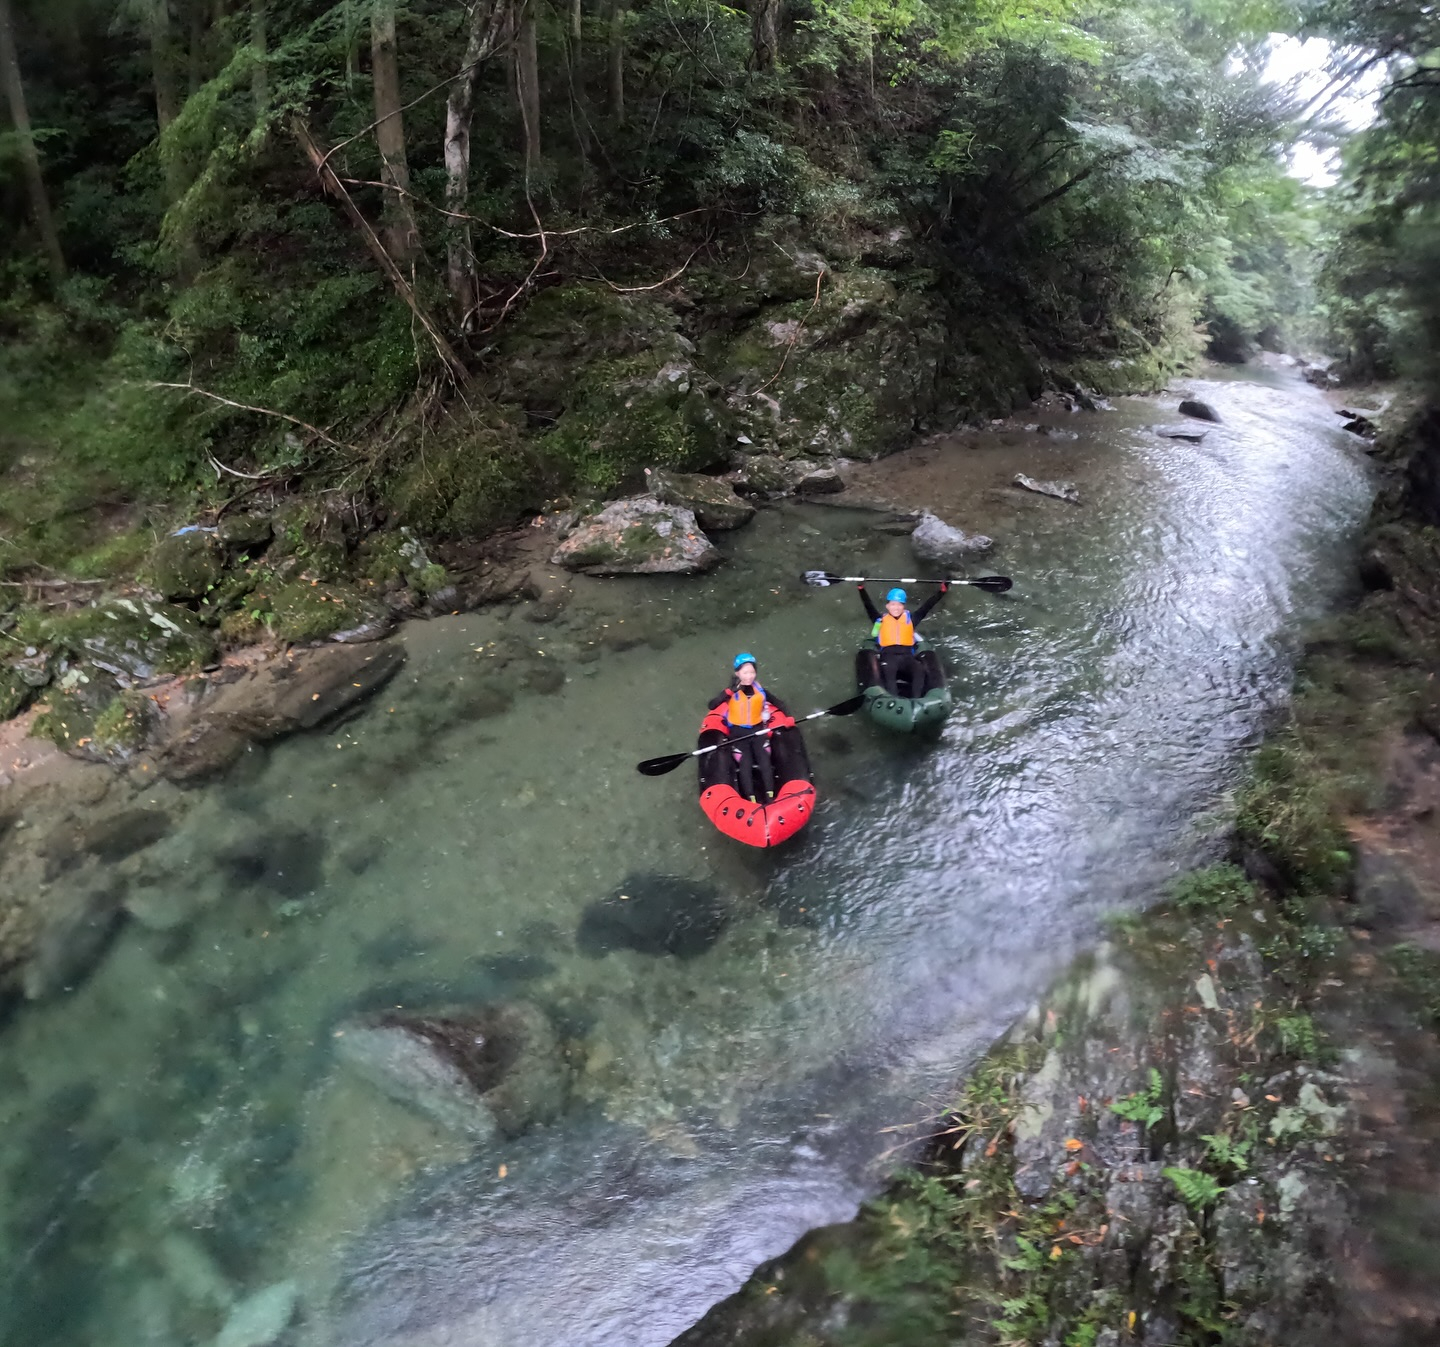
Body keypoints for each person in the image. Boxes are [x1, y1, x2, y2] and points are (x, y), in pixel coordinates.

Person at [707, 653, 791, 802]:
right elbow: (712, 705)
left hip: (757, 729)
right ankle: (751, 799)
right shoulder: (731, 691)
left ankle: (770, 796)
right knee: (745, 762)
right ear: (737, 673)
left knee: (764, 759)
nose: (749, 676)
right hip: (738, 733)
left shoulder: (760, 690)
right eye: (745, 672)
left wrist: (788, 717)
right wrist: (728, 692)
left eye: (752, 672)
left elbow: (780, 703)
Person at [858, 583, 948, 696]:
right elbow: (868, 605)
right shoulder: (880, 620)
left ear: (903, 606)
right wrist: (861, 589)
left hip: (907, 658)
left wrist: (942, 592)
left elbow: (927, 606)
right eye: (893, 604)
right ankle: (893, 700)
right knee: (888, 672)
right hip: (889, 657)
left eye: (899, 605)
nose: (896, 608)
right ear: (888, 606)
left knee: (919, 670)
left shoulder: (911, 619)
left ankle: (917, 701)